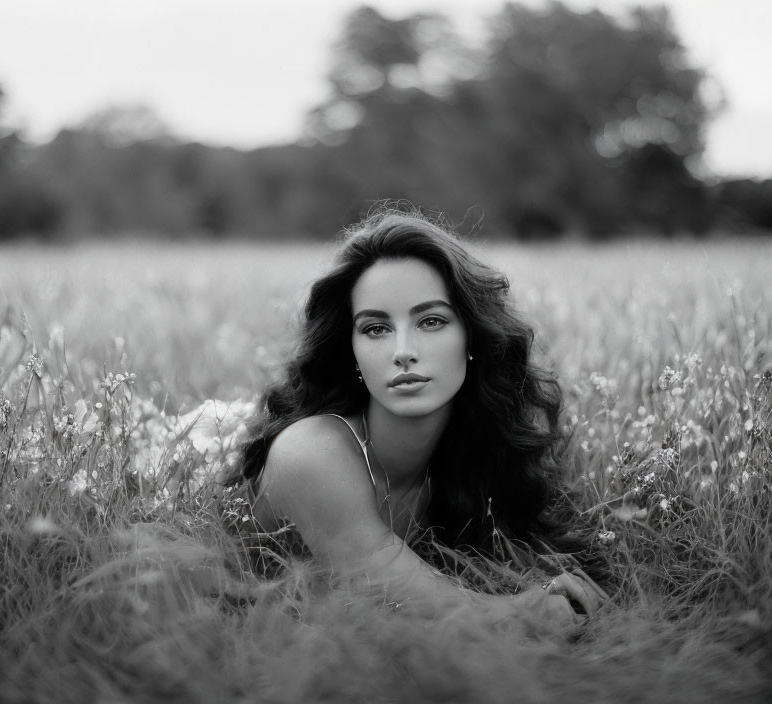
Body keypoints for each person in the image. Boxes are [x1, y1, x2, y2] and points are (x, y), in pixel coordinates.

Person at [236, 206, 608, 635]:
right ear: (351, 351)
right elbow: (377, 573)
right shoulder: (310, 451)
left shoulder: (473, 451)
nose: (403, 350)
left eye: (431, 321)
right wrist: (524, 611)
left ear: (473, 336)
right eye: (376, 328)